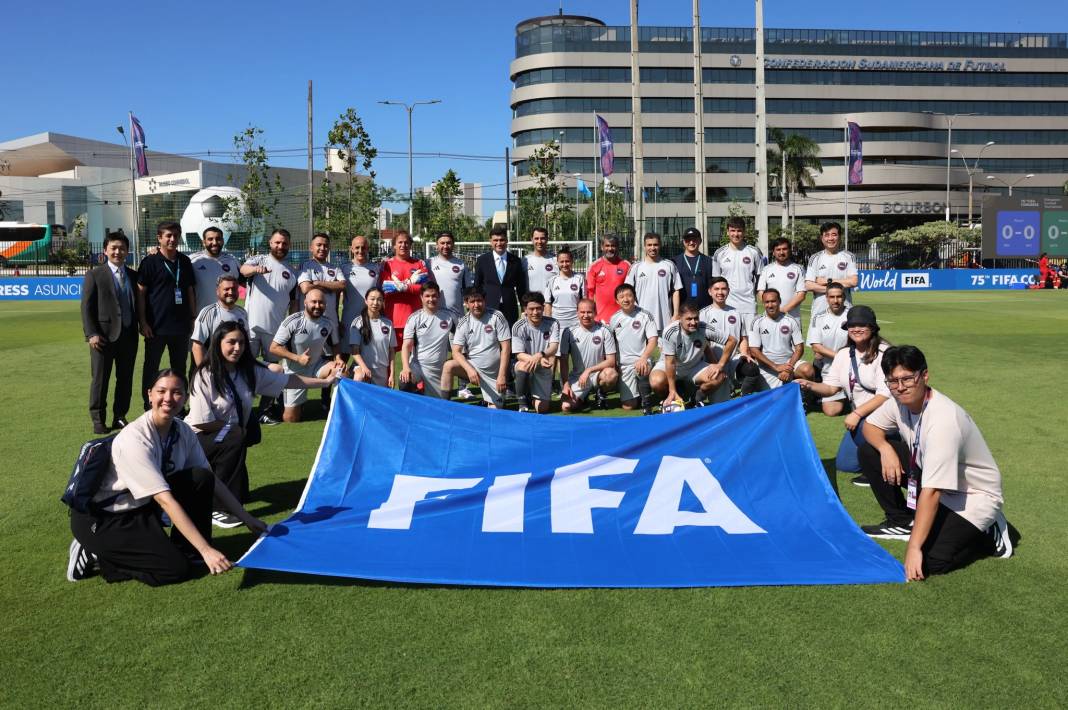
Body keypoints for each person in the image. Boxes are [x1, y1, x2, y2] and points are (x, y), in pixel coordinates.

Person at [66, 369, 266, 586]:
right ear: (150, 394)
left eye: (177, 392)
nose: (168, 398)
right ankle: (95, 552)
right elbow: (165, 500)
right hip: (104, 518)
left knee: (200, 477)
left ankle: (188, 551)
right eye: (162, 391)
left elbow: (210, 480)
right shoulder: (135, 439)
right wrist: (206, 550)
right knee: (174, 570)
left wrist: (248, 519)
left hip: (139, 507)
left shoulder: (182, 431)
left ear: (185, 397)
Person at [858, 345, 1012, 580]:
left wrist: (913, 548)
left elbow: (931, 492)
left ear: (924, 375)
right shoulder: (899, 401)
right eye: (893, 381)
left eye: (908, 379)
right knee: (869, 450)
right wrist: (885, 448)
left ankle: (986, 530)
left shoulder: (943, 421)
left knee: (931, 562)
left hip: (971, 495)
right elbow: (870, 427)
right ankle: (901, 521)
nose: (900, 387)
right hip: (930, 474)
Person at [186, 321, 339, 527]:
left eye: (241, 342)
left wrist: (325, 383)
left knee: (241, 470)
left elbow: (289, 381)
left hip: (228, 434)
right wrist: (234, 429)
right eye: (231, 342)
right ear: (218, 343)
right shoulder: (205, 375)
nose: (237, 348)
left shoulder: (248, 370)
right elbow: (202, 423)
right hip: (197, 440)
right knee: (236, 437)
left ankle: (220, 485)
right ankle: (217, 508)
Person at [795, 305, 891, 486]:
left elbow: (885, 395)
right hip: (862, 417)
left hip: (885, 415)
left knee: (867, 433)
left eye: (862, 324)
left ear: (872, 327)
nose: (856, 329)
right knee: (846, 464)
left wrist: (856, 413)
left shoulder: (885, 353)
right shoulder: (844, 354)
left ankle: (887, 456)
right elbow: (831, 388)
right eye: (852, 325)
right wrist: (808, 384)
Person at [81, 231, 139, 434]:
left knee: (125, 379)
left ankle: (120, 416)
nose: (118, 251)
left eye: (122, 248)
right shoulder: (95, 275)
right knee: (100, 379)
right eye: (113, 248)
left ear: (127, 251)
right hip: (103, 337)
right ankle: (98, 419)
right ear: (105, 250)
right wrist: (91, 334)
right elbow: (86, 307)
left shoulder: (133, 275)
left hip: (129, 336)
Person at [137, 221, 197, 411]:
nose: (172, 239)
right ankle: (149, 406)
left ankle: (179, 407)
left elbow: (189, 291)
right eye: (168, 235)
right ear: (159, 238)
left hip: (180, 327)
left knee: (179, 369)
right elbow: (140, 294)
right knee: (151, 369)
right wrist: (143, 322)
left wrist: (193, 318)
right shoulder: (149, 262)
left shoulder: (184, 261)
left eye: (175, 236)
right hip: (155, 327)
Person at [241, 229, 298, 423]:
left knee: (273, 373)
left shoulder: (292, 272)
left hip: (276, 333)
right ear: (270, 243)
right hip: (251, 328)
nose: (280, 246)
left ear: (289, 245)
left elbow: (294, 304)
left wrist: (293, 329)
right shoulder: (259, 260)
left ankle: (264, 411)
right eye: (277, 242)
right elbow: (243, 270)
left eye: (284, 243)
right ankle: (241, 409)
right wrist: (257, 270)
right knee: (243, 370)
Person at [269, 287, 346, 423]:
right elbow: (274, 348)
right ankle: (284, 396)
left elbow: (335, 344)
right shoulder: (292, 321)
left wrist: (338, 358)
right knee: (291, 419)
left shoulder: (328, 323)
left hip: (316, 366)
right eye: (314, 302)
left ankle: (340, 410)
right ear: (305, 302)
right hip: (295, 371)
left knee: (341, 372)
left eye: (321, 302)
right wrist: (297, 358)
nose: (317, 306)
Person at [650, 301, 735, 409]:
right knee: (656, 381)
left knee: (719, 376)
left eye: (696, 318)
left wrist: (720, 365)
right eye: (689, 319)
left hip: (694, 366)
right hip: (672, 366)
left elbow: (732, 340)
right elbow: (670, 363)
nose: (693, 322)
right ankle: (669, 399)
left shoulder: (704, 328)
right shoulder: (670, 331)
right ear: (680, 318)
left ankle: (696, 398)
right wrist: (672, 390)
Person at [441, 287, 512, 408]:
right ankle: (444, 406)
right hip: (473, 368)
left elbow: (506, 348)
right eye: (472, 302)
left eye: (479, 300)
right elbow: (456, 351)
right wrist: (469, 369)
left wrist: (502, 375)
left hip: (494, 374)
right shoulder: (463, 322)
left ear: (484, 301)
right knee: (449, 366)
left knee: (494, 411)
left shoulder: (497, 316)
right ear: (466, 303)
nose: (476, 305)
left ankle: (488, 400)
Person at [746, 289, 814, 392]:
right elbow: (754, 350)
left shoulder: (791, 321)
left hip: (789, 362)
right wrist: (775, 366)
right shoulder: (757, 322)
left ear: (779, 301)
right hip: (767, 365)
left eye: (773, 301)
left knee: (808, 370)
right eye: (767, 302)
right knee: (773, 399)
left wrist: (789, 368)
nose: (770, 305)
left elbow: (799, 348)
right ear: (763, 303)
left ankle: (807, 397)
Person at [559, 298, 618, 412]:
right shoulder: (569, 332)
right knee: (566, 407)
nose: (586, 315)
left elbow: (611, 361)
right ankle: (583, 397)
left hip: (598, 375)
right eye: (582, 312)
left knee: (611, 375)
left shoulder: (605, 330)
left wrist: (589, 370)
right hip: (578, 377)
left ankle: (601, 392)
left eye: (589, 312)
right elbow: (564, 361)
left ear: (595, 312)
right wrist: (566, 384)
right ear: (577, 313)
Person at [699, 276, 751, 404]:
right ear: (710, 292)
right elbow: (704, 344)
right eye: (716, 289)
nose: (720, 292)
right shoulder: (703, 314)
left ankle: (744, 398)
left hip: (732, 360)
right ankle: (696, 399)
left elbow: (743, 338)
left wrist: (744, 353)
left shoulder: (736, 313)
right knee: (719, 404)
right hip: (711, 362)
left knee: (752, 369)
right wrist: (717, 364)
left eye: (723, 289)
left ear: (728, 291)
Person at [609, 283, 659, 414]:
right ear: (617, 300)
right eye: (622, 297)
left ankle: (647, 403)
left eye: (629, 295)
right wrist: (615, 365)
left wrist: (643, 358)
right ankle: (638, 391)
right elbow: (611, 344)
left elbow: (653, 340)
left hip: (642, 361)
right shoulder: (614, 319)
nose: (626, 299)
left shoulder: (645, 315)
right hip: (624, 366)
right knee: (628, 406)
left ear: (634, 297)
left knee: (643, 369)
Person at [400, 282, 455, 399]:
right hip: (417, 366)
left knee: (441, 405)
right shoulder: (414, 318)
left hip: (438, 369)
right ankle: (415, 399)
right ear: (421, 297)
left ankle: (422, 392)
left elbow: (458, 344)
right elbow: (406, 346)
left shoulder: (450, 317)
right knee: (405, 382)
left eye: (434, 295)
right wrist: (406, 367)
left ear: (439, 296)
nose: (431, 299)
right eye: (427, 296)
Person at [511, 291, 561, 413]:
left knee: (543, 409)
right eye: (531, 309)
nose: (535, 312)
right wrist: (538, 359)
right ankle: (522, 403)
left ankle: (530, 396)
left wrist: (541, 355)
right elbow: (519, 354)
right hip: (526, 363)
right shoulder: (518, 326)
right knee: (523, 367)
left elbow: (554, 347)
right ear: (525, 309)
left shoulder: (553, 323)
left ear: (543, 307)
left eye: (538, 308)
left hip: (544, 365)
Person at [805, 282, 851, 413]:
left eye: (839, 297)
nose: (836, 301)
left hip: (851, 367)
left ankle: (848, 393)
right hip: (829, 370)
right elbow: (816, 347)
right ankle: (822, 389)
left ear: (844, 297)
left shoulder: (852, 315)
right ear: (826, 298)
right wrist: (840, 357)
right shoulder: (818, 318)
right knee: (831, 411)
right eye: (832, 297)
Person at [711, 216, 764, 329]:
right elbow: (716, 282)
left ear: (744, 232)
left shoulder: (754, 252)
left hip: (748, 305)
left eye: (739, 230)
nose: (736, 234)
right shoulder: (719, 253)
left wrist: (759, 295)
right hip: (727, 304)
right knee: (730, 342)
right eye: (733, 231)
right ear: (727, 232)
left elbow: (760, 278)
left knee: (750, 343)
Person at [625, 232, 682, 333]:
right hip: (641, 318)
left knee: (664, 349)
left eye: (655, 244)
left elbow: (676, 290)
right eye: (649, 245)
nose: (652, 248)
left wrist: (676, 314)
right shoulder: (636, 267)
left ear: (660, 245)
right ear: (644, 246)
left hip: (665, 319)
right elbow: (628, 293)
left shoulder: (669, 265)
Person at [381, 230, 428, 348]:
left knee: (416, 360)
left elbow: (424, 289)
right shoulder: (387, 264)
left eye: (406, 242)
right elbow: (386, 289)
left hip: (416, 318)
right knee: (389, 359)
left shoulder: (419, 264)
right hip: (392, 318)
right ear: (394, 245)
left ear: (411, 245)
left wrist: (404, 287)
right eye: (400, 242)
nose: (403, 245)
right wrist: (410, 284)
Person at [805, 221, 858, 322]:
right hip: (820, 310)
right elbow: (809, 285)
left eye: (834, 235)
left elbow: (853, 281)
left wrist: (827, 280)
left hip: (845, 311)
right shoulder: (815, 258)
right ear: (822, 238)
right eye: (827, 235)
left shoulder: (849, 256)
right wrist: (836, 290)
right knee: (817, 338)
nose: (830, 238)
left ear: (839, 237)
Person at [190, 275, 248, 367]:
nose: (230, 292)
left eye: (234, 289)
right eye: (226, 289)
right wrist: (204, 372)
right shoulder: (208, 312)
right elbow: (197, 346)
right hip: (215, 368)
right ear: (217, 291)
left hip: (237, 369)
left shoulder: (243, 313)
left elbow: (245, 343)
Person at [473, 226, 527, 325]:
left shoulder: (515, 261)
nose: (499, 243)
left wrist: (524, 308)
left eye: (502, 240)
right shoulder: (482, 260)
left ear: (506, 240)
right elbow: (477, 286)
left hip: (510, 308)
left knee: (509, 337)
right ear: (490, 241)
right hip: (489, 306)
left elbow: (520, 287)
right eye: (495, 240)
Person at [298, 232, 346, 335]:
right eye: (319, 245)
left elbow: (342, 285)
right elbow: (305, 288)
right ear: (311, 248)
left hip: (331, 321)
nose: (322, 248)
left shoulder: (335, 268)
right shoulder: (305, 266)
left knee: (333, 350)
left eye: (325, 246)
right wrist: (332, 286)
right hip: (309, 322)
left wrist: (317, 283)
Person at [347, 286, 395, 388]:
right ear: (366, 300)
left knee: (379, 401)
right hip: (363, 368)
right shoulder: (358, 322)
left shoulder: (388, 324)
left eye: (379, 300)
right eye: (372, 299)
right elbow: (355, 352)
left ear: (383, 302)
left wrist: (391, 374)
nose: (375, 303)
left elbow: (391, 351)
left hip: (382, 372)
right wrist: (364, 368)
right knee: (359, 378)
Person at [339, 235, 380, 351]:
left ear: (368, 249)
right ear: (351, 249)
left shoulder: (376, 268)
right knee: (343, 358)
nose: (360, 251)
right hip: (348, 320)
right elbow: (337, 295)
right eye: (357, 248)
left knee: (368, 357)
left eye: (363, 247)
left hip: (370, 320)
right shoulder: (344, 268)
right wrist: (338, 320)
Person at [189, 227, 240, 316]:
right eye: (210, 239)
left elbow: (244, 283)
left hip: (227, 316)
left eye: (218, 239)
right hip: (201, 316)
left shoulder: (232, 260)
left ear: (223, 241)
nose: (215, 242)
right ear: (203, 242)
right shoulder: (193, 261)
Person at [756, 237, 806, 322]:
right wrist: (772, 308)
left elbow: (801, 295)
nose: (781, 252)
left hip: (792, 319)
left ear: (789, 250)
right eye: (778, 249)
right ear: (774, 252)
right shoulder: (766, 269)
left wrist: (782, 310)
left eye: (784, 249)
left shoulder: (798, 269)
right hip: (771, 318)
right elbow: (760, 292)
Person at [585, 234, 630, 324]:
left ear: (617, 247)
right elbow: (590, 294)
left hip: (623, 319)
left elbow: (631, 293)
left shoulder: (626, 266)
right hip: (600, 320)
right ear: (602, 247)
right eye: (607, 246)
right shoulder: (594, 267)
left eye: (613, 246)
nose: (610, 249)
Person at [427, 231, 470, 320]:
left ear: (453, 245)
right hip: (434, 315)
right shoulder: (428, 263)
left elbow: (468, 291)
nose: (445, 246)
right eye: (442, 243)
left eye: (448, 243)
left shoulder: (461, 264)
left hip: (456, 316)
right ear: (437, 245)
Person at [672, 227, 714, 310]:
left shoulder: (709, 261)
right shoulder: (674, 262)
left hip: (705, 309)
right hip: (683, 310)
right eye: (688, 240)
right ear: (683, 242)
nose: (691, 242)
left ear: (700, 241)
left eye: (694, 239)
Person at [543, 247, 585, 330]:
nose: (565, 264)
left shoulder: (580, 278)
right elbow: (548, 304)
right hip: (557, 324)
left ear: (572, 261)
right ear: (557, 263)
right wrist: (548, 324)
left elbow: (584, 301)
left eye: (567, 261)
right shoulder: (552, 280)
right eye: (562, 262)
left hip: (575, 324)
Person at [523, 227, 558, 297]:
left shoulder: (555, 260)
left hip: (551, 304)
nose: (539, 241)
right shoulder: (525, 261)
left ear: (547, 239)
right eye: (536, 238)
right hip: (532, 305)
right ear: (532, 240)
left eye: (542, 238)